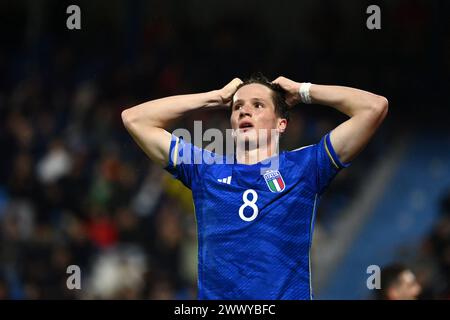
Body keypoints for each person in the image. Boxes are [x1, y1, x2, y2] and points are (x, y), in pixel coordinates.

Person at [121, 74, 388, 299]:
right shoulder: (206, 169)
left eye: (258, 105)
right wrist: (214, 97)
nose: (244, 110)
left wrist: (303, 91)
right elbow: (135, 119)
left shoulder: (304, 167)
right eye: (237, 107)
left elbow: (374, 107)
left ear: (281, 123)